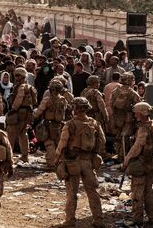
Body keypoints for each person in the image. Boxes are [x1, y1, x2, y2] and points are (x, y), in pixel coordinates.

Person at [55, 97, 106, 228]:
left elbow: (62, 143)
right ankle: (98, 219)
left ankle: (70, 220)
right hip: (88, 162)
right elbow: (102, 141)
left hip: (73, 163)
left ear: (75, 109)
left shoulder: (70, 124)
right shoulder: (94, 123)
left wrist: (57, 159)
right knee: (92, 191)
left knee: (72, 192)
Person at [123, 102, 153, 226]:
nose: (135, 115)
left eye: (136, 112)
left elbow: (138, 146)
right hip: (150, 164)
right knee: (148, 192)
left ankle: (137, 220)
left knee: (137, 194)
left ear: (141, 113)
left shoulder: (143, 128)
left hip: (141, 164)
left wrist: (127, 159)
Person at [33, 79, 68, 168]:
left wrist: (34, 113)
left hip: (48, 125)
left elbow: (38, 113)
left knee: (49, 144)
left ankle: (51, 163)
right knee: (59, 144)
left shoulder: (47, 100)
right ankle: (61, 162)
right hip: (59, 125)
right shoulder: (63, 100)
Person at [6, 67, 37, 162]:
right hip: (27, 114)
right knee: (23, 135)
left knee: (11, 134)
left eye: (18, 75)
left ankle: (9, 156)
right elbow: (35, 101)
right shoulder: (30, 87)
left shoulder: (22, 87)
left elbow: (19, 99)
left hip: (18, 113)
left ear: (22, 76)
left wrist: (13, 109)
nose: (16, 77)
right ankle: (25, 156)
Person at [109, 73, 140, 159]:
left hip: (117, 117)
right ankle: (125, 155)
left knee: (119, 135)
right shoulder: (132, 92)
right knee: (126, 136)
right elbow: (137, 106)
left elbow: (111, 104)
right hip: (128, 118)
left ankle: (119, 153)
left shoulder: (115, 91)